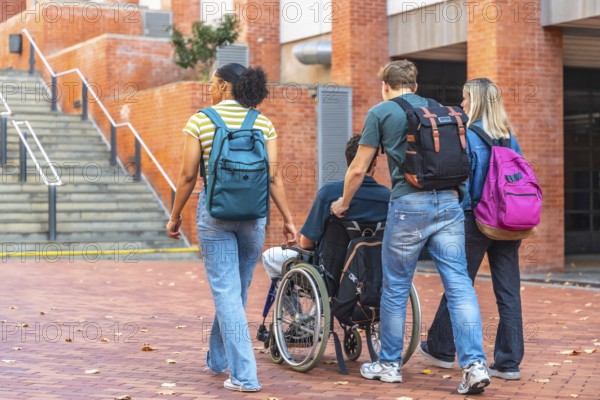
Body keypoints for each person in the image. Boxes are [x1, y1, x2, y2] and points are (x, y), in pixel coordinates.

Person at [331, 60, 490, 395]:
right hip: (449, 205)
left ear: (385, 86)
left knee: (396, 288)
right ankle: (475, 365)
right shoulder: (438, 110)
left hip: (409, 208)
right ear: (415, 86)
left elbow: (359, 168)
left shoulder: (381, 112)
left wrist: (343, 203)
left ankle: (389, 365)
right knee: (460, 285)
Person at [166, 63, 298, 393]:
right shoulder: (263, 123)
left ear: (225, 86)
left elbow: (186, 176)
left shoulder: (201, 120)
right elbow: (274, 177)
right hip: (254, 217)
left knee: (227, 293)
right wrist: (288, 218)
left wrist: (174, 215)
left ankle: (244, 375)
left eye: (213, 83)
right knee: (233, 292)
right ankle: (217, 358)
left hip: (215, 216)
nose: (208, 89)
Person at [420, 78, 525, 380]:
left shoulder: (468, 136)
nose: (462, 103)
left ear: (476, 101)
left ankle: (441, 348)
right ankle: (508, 362)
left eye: (465, 98)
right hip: (509, 223)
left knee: (458, 285)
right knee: (508, 292)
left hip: (476, 220)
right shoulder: (509, 137)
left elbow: (463, 182)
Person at [262, 134, 390, 280]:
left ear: (348, 161)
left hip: (330, 275)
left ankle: (292, 303)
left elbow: (306, 243)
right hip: (373, 272)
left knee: (269, 257)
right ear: (375, 162)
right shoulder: (389, 198)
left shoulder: (329, 193)